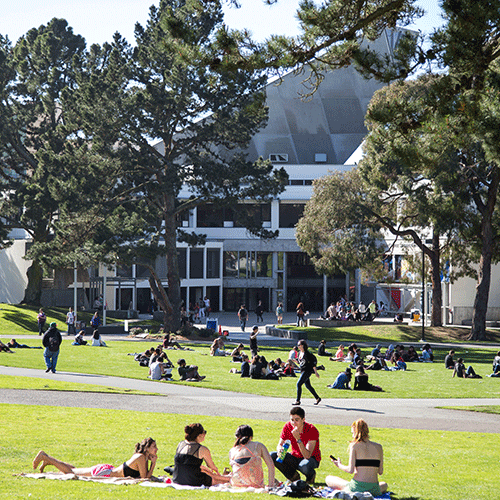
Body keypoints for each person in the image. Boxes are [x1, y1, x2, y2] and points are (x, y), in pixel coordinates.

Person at [32, 437, 158, 479]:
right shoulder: (141, 457)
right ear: (147, 448)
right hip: (106, 473)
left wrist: (151, 463)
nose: (156, 449)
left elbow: (144, 475)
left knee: (75, 470)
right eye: (154, 446)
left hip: (108, 469)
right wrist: (153, 464)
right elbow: (144, 478)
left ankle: (49, 461)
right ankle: (45, 456)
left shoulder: (142, 458)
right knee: (72, 472)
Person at [326, 419, 387, 496]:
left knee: (329, 478)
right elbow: (380, 471)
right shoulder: (379, 447)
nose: (352, 436)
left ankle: (350, 490)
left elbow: (350, 470)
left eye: (352, 433)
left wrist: (339, 465)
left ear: (357, 432)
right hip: (374, 488)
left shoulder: (354, 446)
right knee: (384, 484)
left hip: (357, 488)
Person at [271, 406, 321, 484]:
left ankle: (310, 476)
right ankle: (293, 476)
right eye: (292, 420)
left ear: (303, 420)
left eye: (297, 420)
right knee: (272, 456)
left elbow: (307, 455)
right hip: (295, 456)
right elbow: (279, 444)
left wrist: (298, 439)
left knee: (304, 465)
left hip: (311, 458)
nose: (294, 423)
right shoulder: (288, 427)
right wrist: (280, 450)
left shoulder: (311, 429)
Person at [229, 425, 275, 489]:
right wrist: (271, 486)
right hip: (255, 483)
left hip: (237, 483)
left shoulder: (232, 450)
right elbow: (271, 465)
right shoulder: (258, 446)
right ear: (251, 436)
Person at [294, 340, 321, 406]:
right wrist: (294, 361)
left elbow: (313, 363)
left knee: (298, 384)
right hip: (302, 370)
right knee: (308, 386)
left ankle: (298, 401)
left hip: (307, 371)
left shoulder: (307, 354)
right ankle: (317, 398)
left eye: (299, 345)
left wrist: (316, 372)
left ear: (302, 346)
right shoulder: (300, 353)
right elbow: (300, 362)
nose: (298, 346)